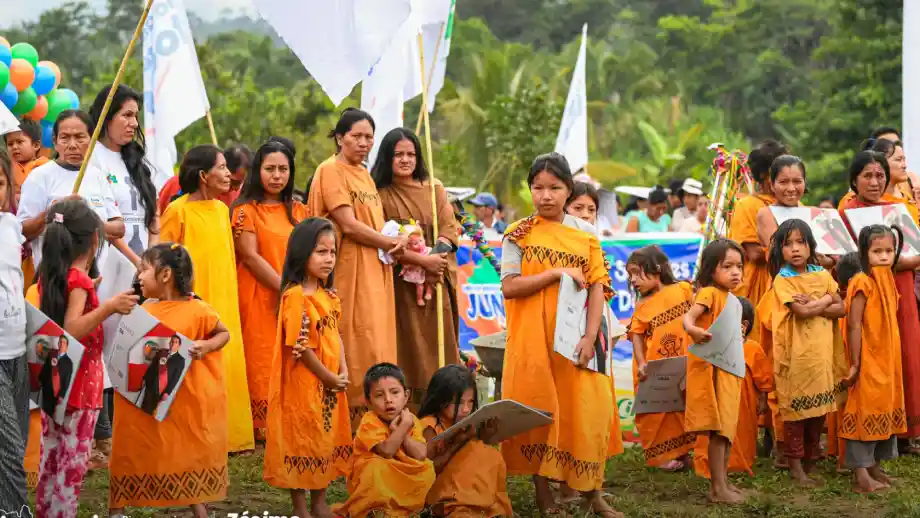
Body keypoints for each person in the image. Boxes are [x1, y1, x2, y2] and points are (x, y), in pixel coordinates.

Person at [500, 152, 619, 517]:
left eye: (555, 188)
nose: (546, 195)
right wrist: (554, 274)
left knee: (587, 412)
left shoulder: (584, 232)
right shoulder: (518, 233)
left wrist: (590, 336)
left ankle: (592, 494)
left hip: (576, 339)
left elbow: (598, 285)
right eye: (538, 187)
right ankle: (544, 495)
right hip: (534, 340)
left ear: (568, 190)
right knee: (541, 410)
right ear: (530, 190)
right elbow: (510, 287)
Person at [108, 243, 231, 518]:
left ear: (164, 275)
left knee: (184, 452)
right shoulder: (143, 309)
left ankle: (198, 506)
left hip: (183, 402)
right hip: (143, 403)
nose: (138, 276)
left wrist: (206, 346)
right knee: (131, 447)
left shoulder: (198, 310)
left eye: (144, 269)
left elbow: (223, 334)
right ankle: (116, 508)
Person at [33, 199, 137, 518]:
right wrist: (107, 307)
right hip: (81, 385)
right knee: (71, 464)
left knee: (51, 458)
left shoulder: (53, 274)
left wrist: (91, 290)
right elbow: (71, 329)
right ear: (95, 239)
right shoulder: (77, 280)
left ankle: (47, 511)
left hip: (57, 381)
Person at [307, 108, 403, 423]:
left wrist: (400, 238)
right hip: (348, 266)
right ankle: (347, 417)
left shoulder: (364, 173)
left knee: (377, 338)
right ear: (339, 137)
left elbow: (372, 222)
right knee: (353, 337)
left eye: (368, 137)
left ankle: (378, 413)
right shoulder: (330, 170)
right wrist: (389, 242)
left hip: (376, 266)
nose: (363, 143)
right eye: (356, 136)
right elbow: (347, 224)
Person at [159, 145, 254, 453]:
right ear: (203, 175)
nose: (229, 174)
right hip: (193, 304)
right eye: (223, 168)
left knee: (226, 362)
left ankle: (232, 434)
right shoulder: (178, 210)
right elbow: (165, 261)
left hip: (223, 297)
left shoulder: (221, 210)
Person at [264, 218, 352, 518]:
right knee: (304, 440)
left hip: (329, 383)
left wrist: (343, 370)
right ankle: (302, 508)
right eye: (320, 252)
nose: (328, 259)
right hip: (305, 385)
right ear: (302, 254)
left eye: (332, 252)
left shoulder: (329, 296)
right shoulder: (295, 298)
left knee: (325, 438)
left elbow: (335, 335)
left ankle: (320, 503)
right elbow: (301, 349)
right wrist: (328, 377)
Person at [838, 150, 920, 452]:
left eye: (880, 176)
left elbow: (917, 255)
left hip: (900, 290)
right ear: (854, 180)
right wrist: (890, 262)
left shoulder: (899, 208)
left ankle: (906, 432)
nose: (874, 182)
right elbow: (846, 259)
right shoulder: (845, 211)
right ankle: (867, 439)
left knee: (906, 354)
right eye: (867, 176)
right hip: (865, 292)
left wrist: (887, 263)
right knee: (872, 357)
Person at [371, 128, 459, 405]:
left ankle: (443, 404)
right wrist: (418, 261)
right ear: (387, 157)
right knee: (406, 345)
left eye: (411, 154)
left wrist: (434, 259)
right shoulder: (378, 194)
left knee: (439, 343)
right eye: (398, 154)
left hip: (435, 279)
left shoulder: (435, 189)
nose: (405, 160)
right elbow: (382, 239)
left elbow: (448, 230)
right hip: (399, 284)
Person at [231, 141, 308, 440]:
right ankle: (260, 423)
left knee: (294, 353)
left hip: (295, 294)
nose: (277, 176)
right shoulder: (244, 211)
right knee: (261, 356)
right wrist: (285, 288)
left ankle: (289, 414)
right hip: (258, 294)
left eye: (283, 169)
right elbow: (250, 257)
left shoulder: (299, 211)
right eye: (270, 169)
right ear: (256, 171)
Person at [765, 219, 847, 486]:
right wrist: (825, 300)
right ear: (780, 250)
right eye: (788, 244)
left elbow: (842, 308)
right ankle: (796, 467)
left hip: (821, 355)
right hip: (797, 356)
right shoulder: (783, 279)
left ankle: (811, 463)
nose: (795, 249)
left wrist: (816, 301)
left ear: (811, 246)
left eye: (801, 242)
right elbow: (801, 312)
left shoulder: (822, 274)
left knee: (818, 413)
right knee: (795, 414)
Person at [18, 110, 125, 273]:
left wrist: (92, 221)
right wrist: (54, 212)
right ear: (55, 142)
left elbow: (119, 228)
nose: (73, 145)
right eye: (65, 137)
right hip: (54, 281)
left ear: (91, 140)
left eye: (80, 137)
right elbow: (22, 231)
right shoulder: (39, 177)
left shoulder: (98, 175)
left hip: (96, 282)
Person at [841, 225, 904, 493]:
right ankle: (860, 473)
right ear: (864, 253)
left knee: (884, 404)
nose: (884, 256)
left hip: (887, 357)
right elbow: (854, 324)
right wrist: (855, 362)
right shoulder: (861, 282)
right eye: (877, 251)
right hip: (866, 357)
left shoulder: (888, 278)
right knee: (864, 406)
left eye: (889, 251)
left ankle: (874, 465)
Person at [681, 238, 745, 504]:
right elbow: (688, 318)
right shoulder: (709, 293)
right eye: (727, 266)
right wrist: (693, 330)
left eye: (739, 266)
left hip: (728, 372)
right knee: (719, 432)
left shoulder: (734, 300)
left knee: (727, 429)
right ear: (710, 269)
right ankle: (717, 488)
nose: (735, 272)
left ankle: (723, 484)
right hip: (712, 373)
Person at [334, 363, 434, 517]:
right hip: (378, 475)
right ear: (368, 401)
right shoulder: (370, 421)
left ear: (406, 396)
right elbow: (387, 451)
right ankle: (375, 510)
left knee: (427, 468)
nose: (388, 400)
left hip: (401, 473)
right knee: (375, 468)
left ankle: (410, 508)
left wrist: (404, 433)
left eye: (395, 393)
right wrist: (402, 427)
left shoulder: (410, 419)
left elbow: (421, 454)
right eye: (379, 395)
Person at [627, 246, 695, 471]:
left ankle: (683, 453)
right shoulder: (642, 305)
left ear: (657, 269)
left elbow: (697, 317)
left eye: (638, 273)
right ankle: (663, 457)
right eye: (630, 276)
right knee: (655, 414)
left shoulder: (683, 289)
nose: (634, 280)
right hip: (654, 368)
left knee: (681, 409)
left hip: (684, 364)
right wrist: (642, 363)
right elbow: (636, 335)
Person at [694, 296, 773, 479]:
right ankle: (711, 466)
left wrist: (762, 400)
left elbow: (765, 381)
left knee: (742, 435)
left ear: (743, 324)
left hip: (743, 408)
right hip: (717, 403)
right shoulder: (713, 346)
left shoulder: (753, 349)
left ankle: (738, 464)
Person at [88, 85, 168, 266]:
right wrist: (135, 262)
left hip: (144, 268)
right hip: (107, 266)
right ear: (106, 116)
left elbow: (154, 214)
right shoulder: (91, 158)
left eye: (136, 116)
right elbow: (100, 220)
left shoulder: (137, 161)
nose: (134, 124)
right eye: (127, 115)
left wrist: (149, 259)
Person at [418, 364, 513, 517]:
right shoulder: (429, 425)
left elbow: (474, 461)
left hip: (468, 490)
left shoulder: (466, 423)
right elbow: (428, 471)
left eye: (470, 402)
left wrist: (487, 436)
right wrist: (459, 441)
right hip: (442, 494)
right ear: (441, 400)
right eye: (460, 402)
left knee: (488, 454)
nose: (466, 409)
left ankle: (488, 507)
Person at [0, 160, 30, 511]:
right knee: (9, 450)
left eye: (1, 182)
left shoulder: (11, 226)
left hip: (17, 347)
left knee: (17, 442)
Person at [729, 140, 787, 316]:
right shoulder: (747, 206)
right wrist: (792, 252)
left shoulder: (797, 205)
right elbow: (753, 253)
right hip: (757, 287)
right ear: (764, 175)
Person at [157, 143, 252, 215]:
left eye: (241, 183)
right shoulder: (176, 187)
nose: (236, 188)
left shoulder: (223, 209)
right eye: (234, 182)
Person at [137, 335, 185, 415]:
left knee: (150, 412)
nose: (173, 344)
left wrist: (167, 392)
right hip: (151, 383)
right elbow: (152, 366)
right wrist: (145, 378)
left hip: (161, 389)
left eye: (176, 342)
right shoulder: (162, 352)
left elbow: (175, 378)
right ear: (169, 343)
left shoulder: (180, 360)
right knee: (143, 407)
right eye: (172, 341)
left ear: (179, 345)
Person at [5, 118, 49, 204]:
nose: (14, 147)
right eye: (10, 144)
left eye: (19, 142)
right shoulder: (6, 167)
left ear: (36, 145)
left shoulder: (45, 167)